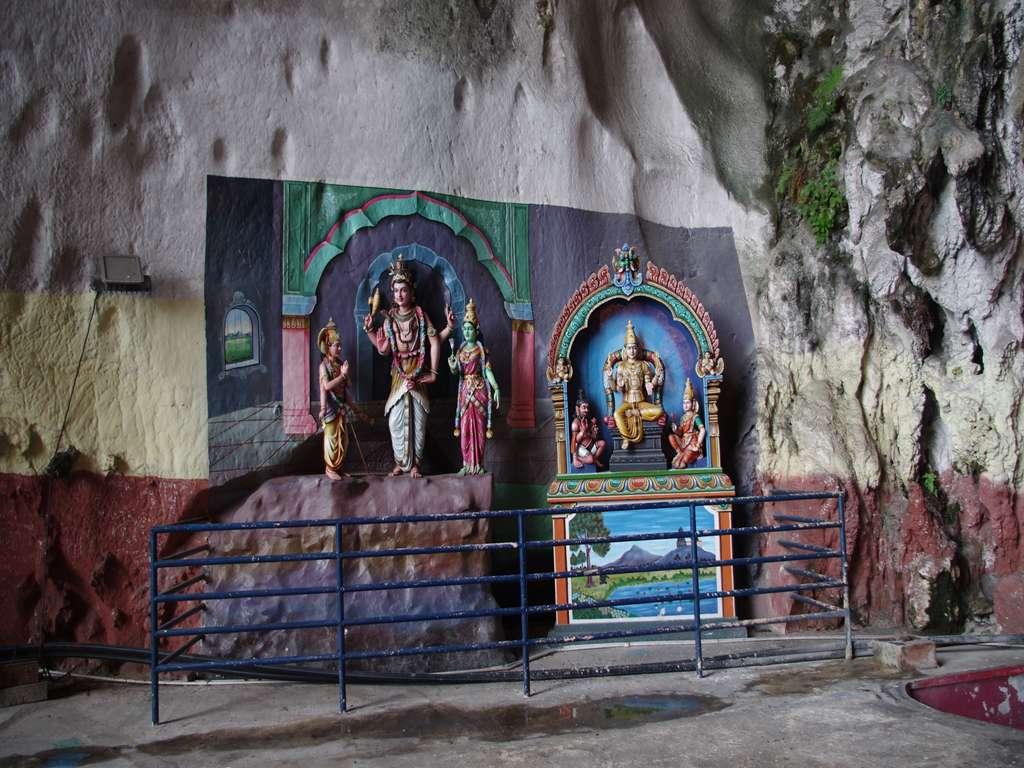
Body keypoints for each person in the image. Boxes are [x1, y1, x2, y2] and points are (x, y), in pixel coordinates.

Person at [363, 257, 454, 477]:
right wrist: (370, 331)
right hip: (399, 373)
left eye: (403, 290)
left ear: (412, 292)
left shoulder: (420, 315)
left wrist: (433, 373)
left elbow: (434, 341)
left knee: (418, 421)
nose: (399, 294)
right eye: (396, 291)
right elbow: (384, 349)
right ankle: (400, 462)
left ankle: (415, 465)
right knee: (395, 421)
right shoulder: (390, 319)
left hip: (418, 372)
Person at [448, 299, 500, 475]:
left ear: (476, 330)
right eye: (465, 329)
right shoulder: (460, 351)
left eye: (470, 329)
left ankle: (478, 465)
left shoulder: (481, 351)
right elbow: (457, 372)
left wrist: (496, 387)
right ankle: (466, 464)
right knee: (464, 431)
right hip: (464, 393)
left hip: (479, 391)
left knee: (479, 429)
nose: (467, 332)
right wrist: (452, 365)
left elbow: (487, 371)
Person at [603, 320, 665, 449]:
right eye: (629, 348)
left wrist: (656, 377)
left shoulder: (644, 365)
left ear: (637, 349)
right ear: (625, 349)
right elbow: (616, 389)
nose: (632, 351)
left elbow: (649, 388)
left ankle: (634, 413)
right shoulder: (621, 366)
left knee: (658, 411)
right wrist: (610, 378)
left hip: (641, 402)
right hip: (627, 402)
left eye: (634, 348)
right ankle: (626, 437)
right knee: (617, 414)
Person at [317, 319, 359, 479]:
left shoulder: (340, 364)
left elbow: (348, 384)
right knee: (331, 440)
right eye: (337, 345)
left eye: (340, 345)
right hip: (330, 408)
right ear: (328, 347)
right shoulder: (323, 366)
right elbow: (326, 386)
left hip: (341, 407)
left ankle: (339, 467)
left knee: (343, 439)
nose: (340, 348)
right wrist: (342, 375)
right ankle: (330, 468)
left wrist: (345, 375)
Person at [669, 378, 706, 468]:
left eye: (688, 403)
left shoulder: (695, 417)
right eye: (684, 403)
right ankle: (680, 452)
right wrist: (676, 429)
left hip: (692, 443)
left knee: (685, 460)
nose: (685, 405)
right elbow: (681, 433)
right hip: (683, 442)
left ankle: (684, 456)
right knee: (671, 437)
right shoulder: (683, 418)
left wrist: (698, 444)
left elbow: (702, 430)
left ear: (693, 404)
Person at [570, 394, 606, 469]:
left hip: (590, 446)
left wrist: (593, 429)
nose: (586, 410)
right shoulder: (575, 423)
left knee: (602, 443)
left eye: (587, 408)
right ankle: (582, 459)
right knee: (590, 459)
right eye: (584, 407)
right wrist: (575, 459)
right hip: (581, 448)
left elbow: (591, 436)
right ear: (578, 409)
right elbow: (574, 441)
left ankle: (594, 459)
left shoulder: (586, 420)